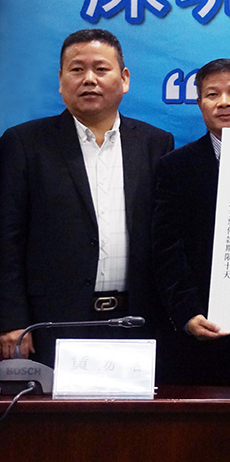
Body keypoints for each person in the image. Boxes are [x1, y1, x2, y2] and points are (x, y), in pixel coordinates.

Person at [0, 29, 174, 364]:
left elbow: (166, 236)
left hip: (136, 319)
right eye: (77, 69)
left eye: (101, 69)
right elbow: (7, 238)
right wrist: (12, 320)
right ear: (61, 80)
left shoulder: (155, 143)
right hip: (52, 322)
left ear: (124, 79)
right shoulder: (24, 143)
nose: (89, 79)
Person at [152, 58, 230, 384]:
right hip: (203, 327)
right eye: (212, 94)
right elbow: (166, 248)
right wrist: (187, 313)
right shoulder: (175, 167)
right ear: (200, 104)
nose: (224, 102)